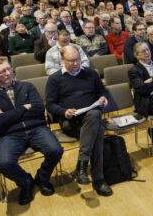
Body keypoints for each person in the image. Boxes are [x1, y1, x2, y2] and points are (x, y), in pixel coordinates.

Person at [0, 59, 63, 205]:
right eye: (2, 71)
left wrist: (7, 115)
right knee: (4, 163)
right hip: (10, 134)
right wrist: (24, 108)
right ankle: (26, 182)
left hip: (36, 128)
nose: (8, 73)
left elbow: (39, 108)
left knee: (56, 150)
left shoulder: (27, 86)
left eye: (9, 68)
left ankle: (42, 178)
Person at [45, 45, 113, 196]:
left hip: (91, 118)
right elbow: (50, 105)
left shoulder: (91, 74)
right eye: (71, 61)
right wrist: (63, 112)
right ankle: (98, 180)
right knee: (97, 129)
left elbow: (102, 91)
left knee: (94, 118)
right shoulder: (54, 79)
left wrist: (103, 97)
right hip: (71, 122)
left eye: (77, 60)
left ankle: (82, 167)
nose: (75, 63)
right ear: (62, 60)